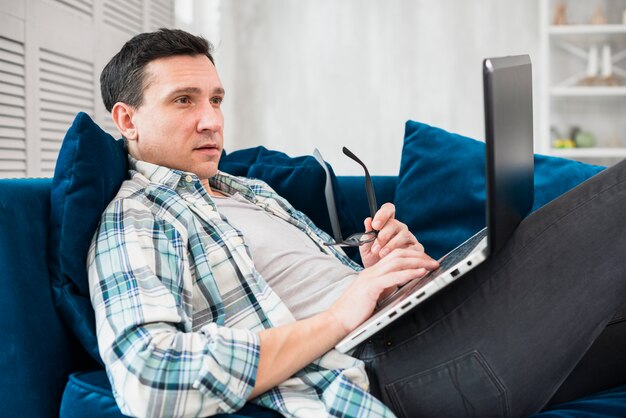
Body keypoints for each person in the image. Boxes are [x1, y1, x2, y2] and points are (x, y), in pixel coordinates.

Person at [89, 28, 626, 418]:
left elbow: (309, 288)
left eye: (215, 99)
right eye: (184, 101)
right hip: (394, 373)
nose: (212, 120)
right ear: (127, 119)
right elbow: (148, 378)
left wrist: (377, 271)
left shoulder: (246, 189)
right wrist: (343, 314)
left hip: (417, 330)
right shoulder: (137, 218)